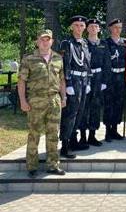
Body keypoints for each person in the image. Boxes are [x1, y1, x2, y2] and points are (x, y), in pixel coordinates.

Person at [18, 29, 66, 177]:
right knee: (34, 134)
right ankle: (32, 166)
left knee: (53, 134)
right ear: (37, 41)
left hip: (54, 101)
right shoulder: (29, 59)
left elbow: (62, 80)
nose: (45, 42)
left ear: (52, 41)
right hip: (35, 101)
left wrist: (63, 97)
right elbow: (21, 81)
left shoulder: (58, 58)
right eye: (42, 39)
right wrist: (23, 101)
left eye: (48, 39)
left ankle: (53, 165)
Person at [59, 15, 91, 157]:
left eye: (82, 25)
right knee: (70, 113)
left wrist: (88, 81)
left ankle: (73, 140)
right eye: (76, 25)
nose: (79, 28)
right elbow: (64, 64)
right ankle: (65, 144)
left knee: (80, 111)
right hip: (73, 80)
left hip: (83, 80)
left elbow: (87, 63)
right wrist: (68, 84)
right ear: (72, 27)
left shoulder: (84, 42)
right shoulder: (66, 43)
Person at [81, 18, 111, 146]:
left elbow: (107, 63)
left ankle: (92, 135)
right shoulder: (82, 43)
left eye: (96, 26)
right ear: (87, 29)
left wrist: (104, 80)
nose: (93, 29)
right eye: (91, 26)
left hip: (98, 77)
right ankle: (82, 136)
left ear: (99, 29)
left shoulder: (103, 44)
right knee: (83, 107)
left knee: (96, 106)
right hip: (85, 77)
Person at [103, 18, 126, 142]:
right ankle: (107, 131)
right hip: (110, 76)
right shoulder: (105, 42)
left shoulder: (125, 42)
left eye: (120, 27)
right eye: (115, 27)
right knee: (109, 104)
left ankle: (115, 129)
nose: (118, 30)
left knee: (119, 103)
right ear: (110, 29)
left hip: (121, 77)